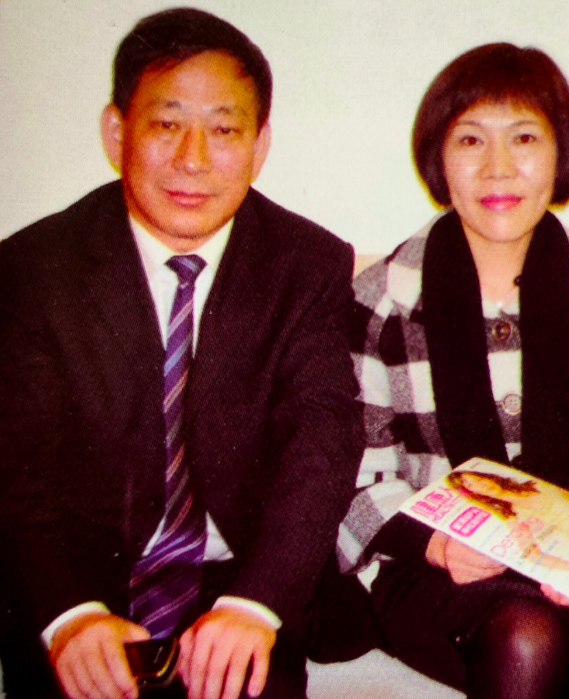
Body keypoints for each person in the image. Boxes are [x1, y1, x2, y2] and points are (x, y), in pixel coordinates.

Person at [0, 8, 364, 699]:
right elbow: (14, 467)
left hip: (237, 590)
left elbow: (321, 442)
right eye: (167, 125)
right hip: (84, 595)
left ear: (258, 145)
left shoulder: (306, 263)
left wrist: (255, 604)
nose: (193, 159)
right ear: (117, 133)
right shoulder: (34, 269)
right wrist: (69, 616)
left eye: (224, 131)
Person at [339, 43, 569, 699]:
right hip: (440, 570)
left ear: (560, 152)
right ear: (439, 157)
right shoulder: (380, 301)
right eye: (471, 140)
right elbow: (358, 468)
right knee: (526, 635)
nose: (498, 166)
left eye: (524, 138)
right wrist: (436, 543)